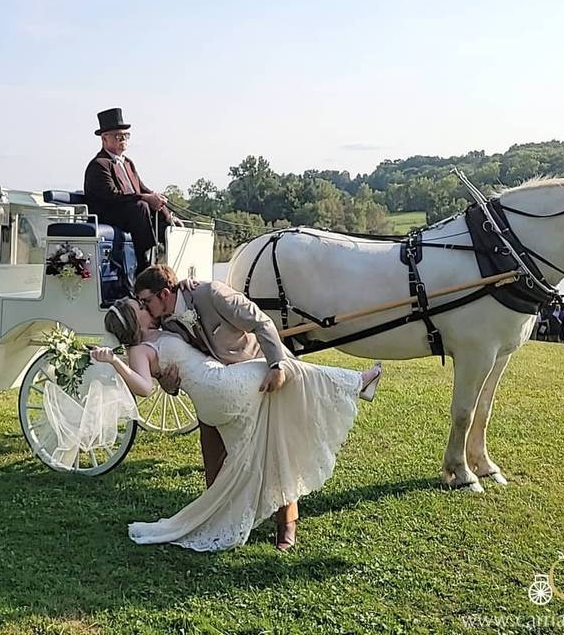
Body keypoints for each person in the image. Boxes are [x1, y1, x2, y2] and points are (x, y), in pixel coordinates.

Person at [92, 295, 381, 552]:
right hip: (220, 387)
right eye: (138, 307)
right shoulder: (139, 350)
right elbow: (144, 388)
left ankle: (236, 518)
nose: (144, 307)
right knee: (285, 366)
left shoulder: (167, 325)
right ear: (134, 320)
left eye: (144, 302)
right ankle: (357, 382)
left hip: (214, 402)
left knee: (256, 452)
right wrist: (116, 363)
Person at [83, 108, 181, 273]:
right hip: (109, 214)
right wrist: (146, 198)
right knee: (141, 206)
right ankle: (144, 264)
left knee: (152, 205)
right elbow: (112, 196)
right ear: (104, 138)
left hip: (130, 213)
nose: (123, 139)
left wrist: (165, 210)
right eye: (118, 136)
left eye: (125, 135)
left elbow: (142, 189)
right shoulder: (99, 165)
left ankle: (169, 251)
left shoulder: (128, 163)